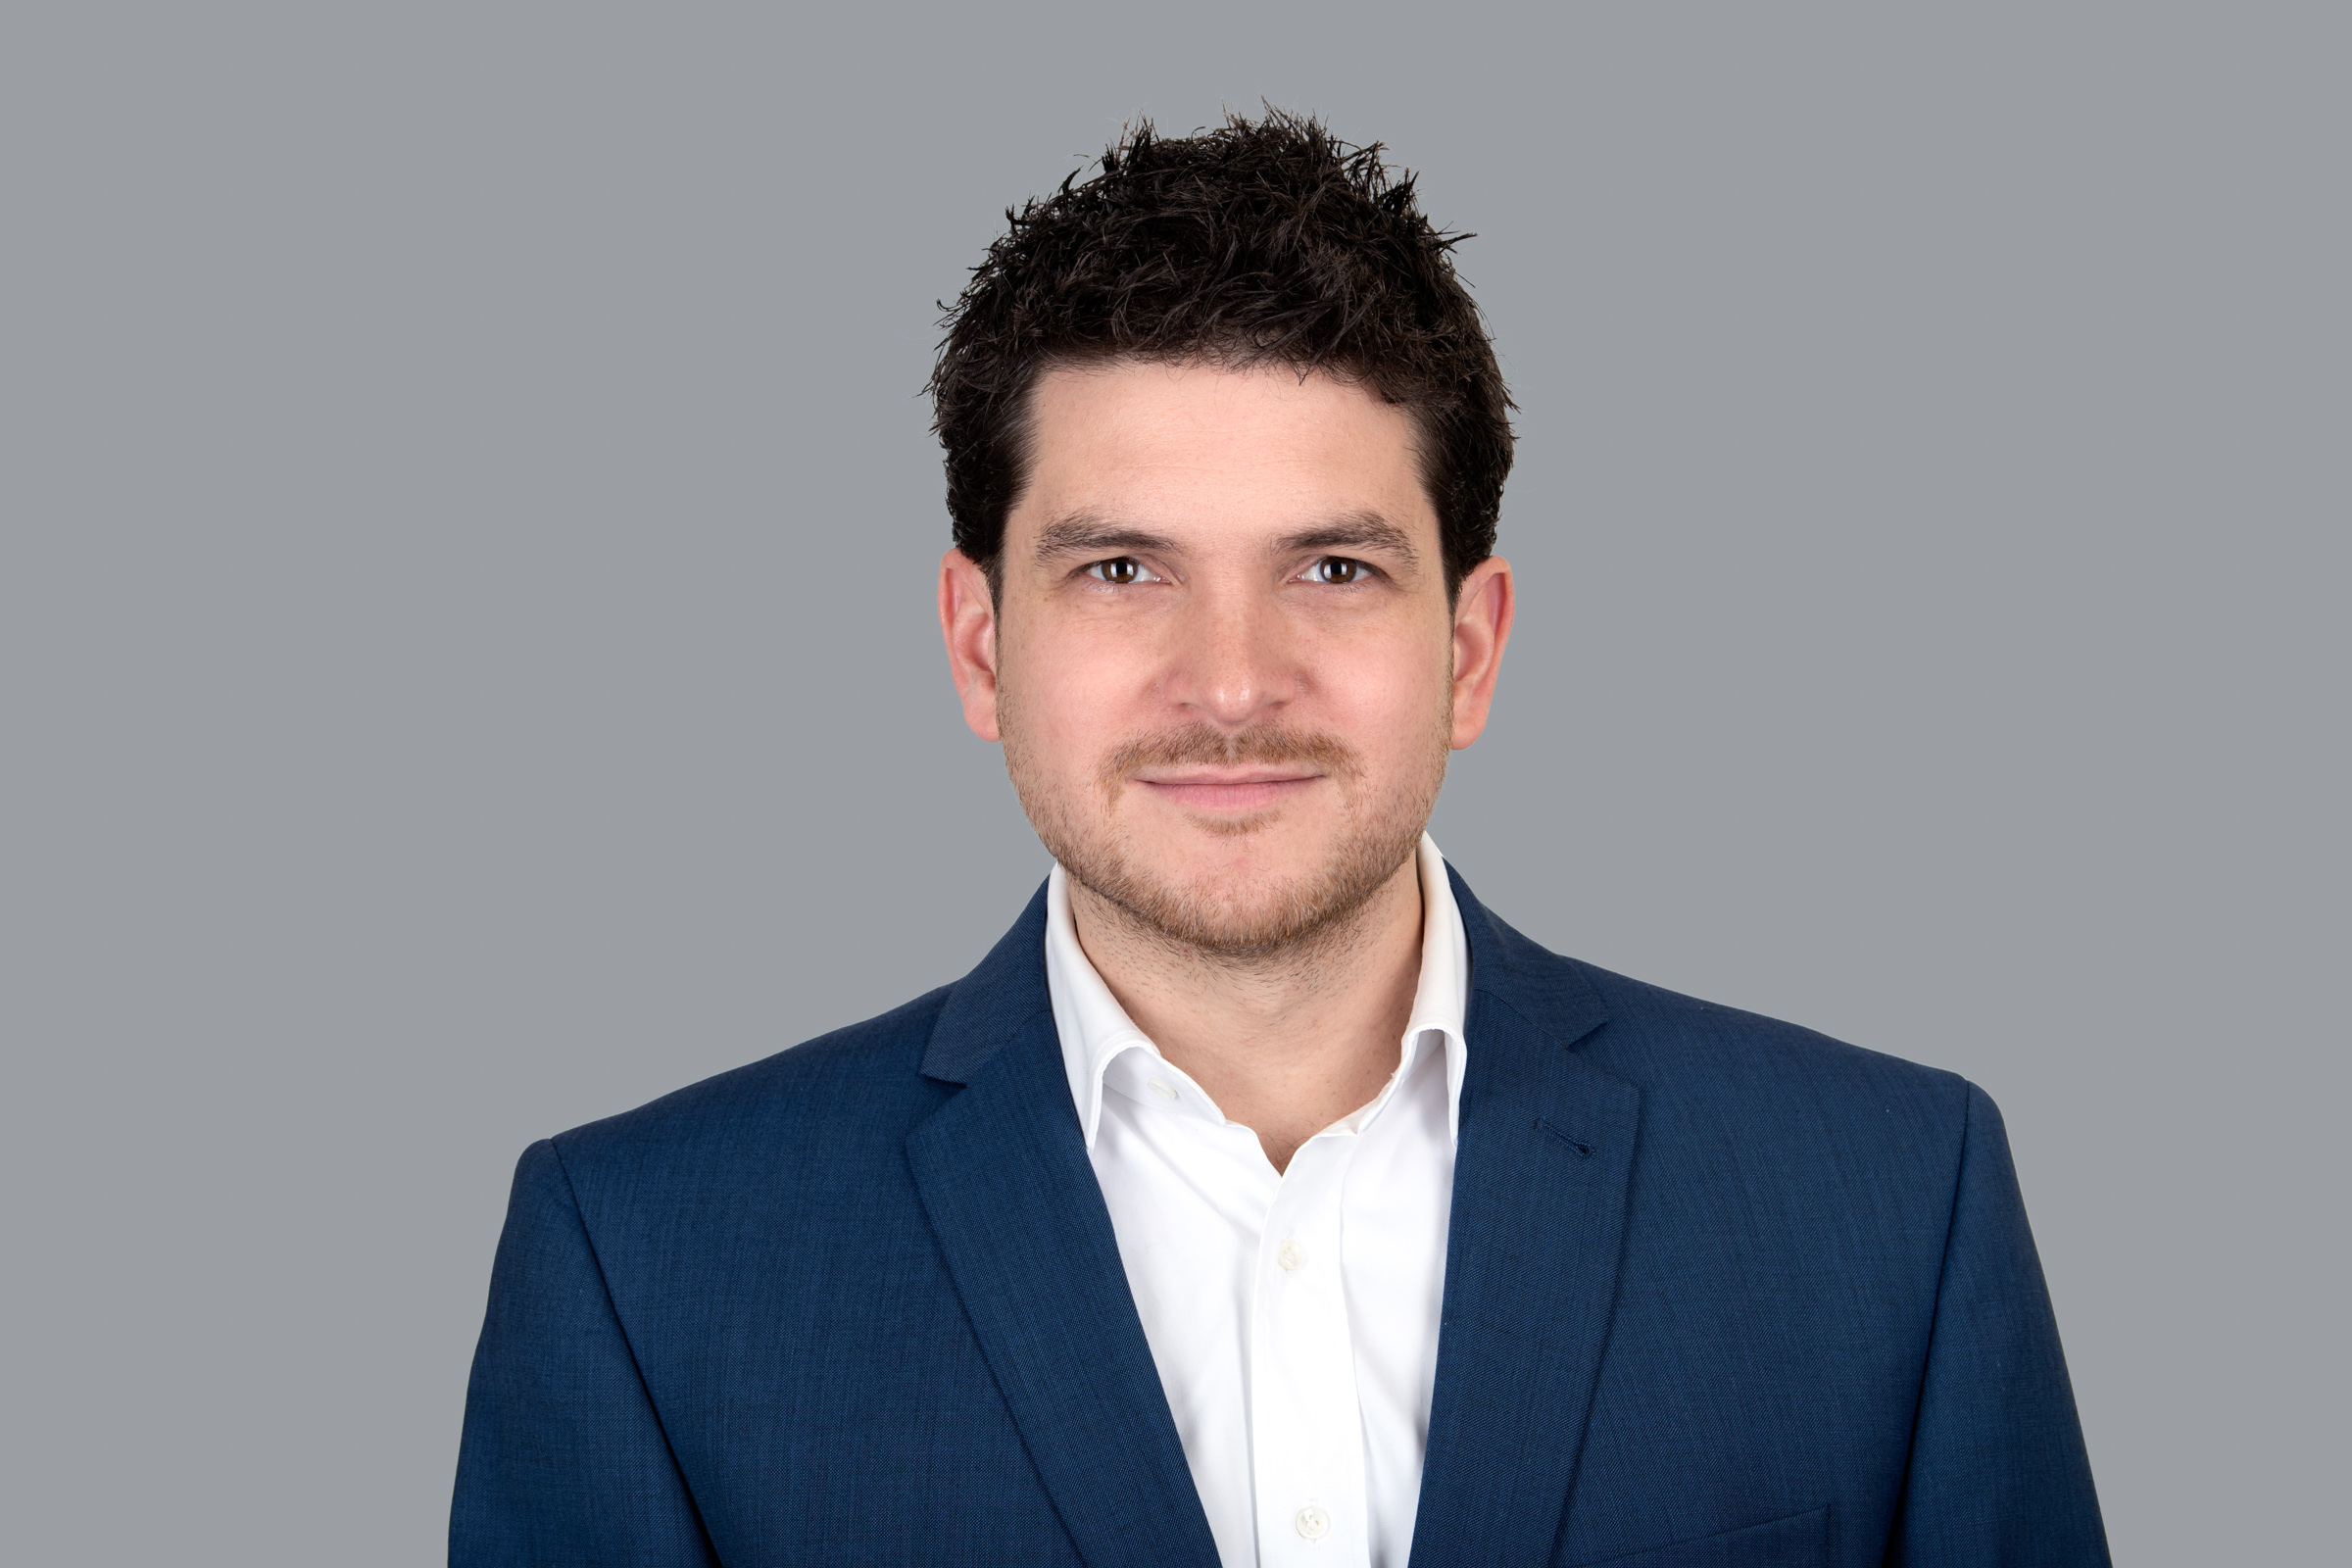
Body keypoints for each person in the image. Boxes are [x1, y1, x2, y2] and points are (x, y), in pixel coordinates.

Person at [451, 112, 2107, 1567]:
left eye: (1333, 569)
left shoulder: (1892, 1206)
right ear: (979, 644)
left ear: (1469, 649)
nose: (1233, 683)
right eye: (1122, 571)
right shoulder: (642, 1270)